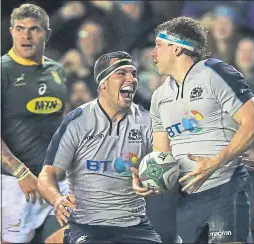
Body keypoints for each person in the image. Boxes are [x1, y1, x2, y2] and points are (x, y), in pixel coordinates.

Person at [132, 16, 254, 243]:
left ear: (176, 48)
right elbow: (162, 156)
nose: (152, 54)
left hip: (225, 188)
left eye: (158, 46)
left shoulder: (215, 72)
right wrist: (149, 181)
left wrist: (216, 162)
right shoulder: (159, 97)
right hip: (186, 200)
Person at [37, 51, 162, 244]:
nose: (131, 79)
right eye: (121, 73)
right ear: (103, 83)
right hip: (88, 226)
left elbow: (162, 166)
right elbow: (47, 175)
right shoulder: (78, 121)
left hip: (135, 226)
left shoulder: (146, 121)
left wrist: (152, 182)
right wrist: (57, 199)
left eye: (133, 73)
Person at [1, 3, 68, 243]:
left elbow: (60, 123)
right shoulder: (2, 72)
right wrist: (20, 172)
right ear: (11, 32)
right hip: (14, 185)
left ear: (47, 34)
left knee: (76, 234)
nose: (25, 35)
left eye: (34, 29)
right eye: (19, 28)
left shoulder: (57, 70)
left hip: (54, 181)